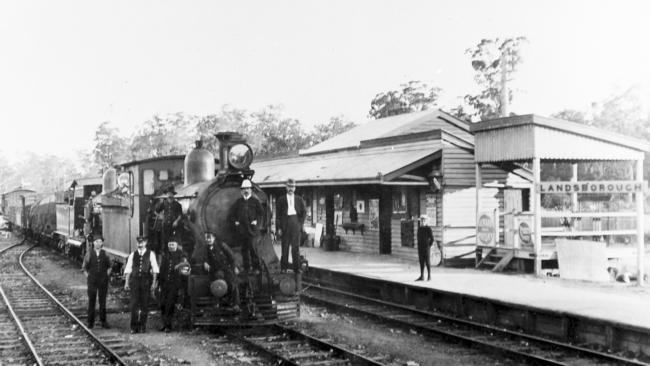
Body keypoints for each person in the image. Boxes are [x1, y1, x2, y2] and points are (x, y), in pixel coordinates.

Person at [124, 235, 159, 333]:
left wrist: (153, 283)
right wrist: (126, 282)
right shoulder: (132, 254)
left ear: (146, 243)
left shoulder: (151, 254)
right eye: (139, 242)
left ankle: (142, 326)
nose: (140, 244)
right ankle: (133, 327)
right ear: (137, 243)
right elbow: (128, 269)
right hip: (135, 282)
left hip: (145, 282)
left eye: (142, 242)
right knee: (134, 304)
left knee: (144, 305)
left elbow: (155, 270)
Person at [230, 179, 264, 273]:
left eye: (247, 188)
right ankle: (247, 268)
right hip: (242, 230)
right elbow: (232, 215)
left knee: (253, 249)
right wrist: (236, 222)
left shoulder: (255, 201)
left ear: (251, 190)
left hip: (252, 230)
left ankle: (256, 267)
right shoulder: (238, 202)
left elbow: (261, 213)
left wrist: (256, 222)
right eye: (244, 189)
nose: (246, 190)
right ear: (241, 191)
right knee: (244, 249)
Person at [201, 232, 240, 310]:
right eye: (206, 238)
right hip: (216, 270)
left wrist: (235, 267)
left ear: (214, 238)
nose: (207, 240)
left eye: (209, 237)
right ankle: (218, 303)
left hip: (227, 268)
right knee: (217, 282)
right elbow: (203, 257)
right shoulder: (206, 248)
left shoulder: (222, 245)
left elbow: (231, 256)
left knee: (232, 283)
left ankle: (236, 304)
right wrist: (205, 262)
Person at [275, 178, 306, 273]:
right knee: (285, 247)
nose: (291, 188)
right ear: (286, 187)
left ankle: (296, 268)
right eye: (289, 186)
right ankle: (284, 268)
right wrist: (279, 228)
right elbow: (278, 215)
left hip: (295, 223)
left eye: (292, 187)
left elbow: (303, 213)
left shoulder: (299, 199)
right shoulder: (281, 200)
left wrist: (300, 224)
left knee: (295, 248)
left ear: (295, 188)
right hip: (285, 224)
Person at [82, 236, 112, 329]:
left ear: (102, 243)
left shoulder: (106, 254)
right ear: (93, 243)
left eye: (100, 242)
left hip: (103, 281)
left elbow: (110, 266)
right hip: (92, 281)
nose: (99, 243)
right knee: (92, 300)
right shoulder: (89, 254)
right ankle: (90, 322)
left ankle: (103, 321)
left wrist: (107, 274)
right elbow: (84, 268)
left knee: (102, 301)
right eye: (97, 242)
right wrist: (88, 277)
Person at [158, 238, 186, 332]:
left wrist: (181, 287)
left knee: (169, 305)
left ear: (176, 245)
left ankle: (168, 326)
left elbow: (184, 272)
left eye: (172, 244)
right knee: (162, 304)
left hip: (174, 285)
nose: (171, 246)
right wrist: (159, 284)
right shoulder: (165, 255)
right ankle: (164, 323)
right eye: (169, 244)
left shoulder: (181, 256)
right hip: (164, 284)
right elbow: (162, 270)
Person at [155, 187, 182, 254]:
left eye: (171, 194)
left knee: (174, 239)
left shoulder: (178, 205)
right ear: (167, 195)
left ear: (173, 195)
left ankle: (175, 253)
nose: (169, 196)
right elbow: (156, 211)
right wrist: (160, 216)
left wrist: (176, 221)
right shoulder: (163, 203)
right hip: (165, 224)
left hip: (174, 225)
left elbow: (180, 215)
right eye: (168, 194)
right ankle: (165, 253)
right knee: (164, 240)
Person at [416, 215, 434, 281]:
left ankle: (429, 276)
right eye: (421, 220)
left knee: (427, 262)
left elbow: (432, 239)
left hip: (426, 248)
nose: (422, 222)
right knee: (421, 262)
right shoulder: (419, 229)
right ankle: (422, 276)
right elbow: (418, 237)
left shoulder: (428, 229)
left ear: (426, 221)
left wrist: (428, 245)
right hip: (420, 247)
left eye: (424, 220)